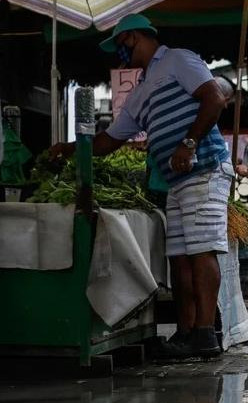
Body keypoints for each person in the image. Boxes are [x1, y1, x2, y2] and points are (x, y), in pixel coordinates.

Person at [50, 14, 231, 358]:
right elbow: (108, 141)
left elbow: (214, 99)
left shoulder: (178, 59)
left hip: (204, 168)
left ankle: (206, 334)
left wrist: (188, 143)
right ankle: (187, 332)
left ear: (134, 37)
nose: (120, 54)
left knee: (201, 251)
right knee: (179, 259)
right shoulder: (142, 87)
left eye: (121, 45)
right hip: (176, 180)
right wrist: (71, 150)